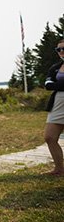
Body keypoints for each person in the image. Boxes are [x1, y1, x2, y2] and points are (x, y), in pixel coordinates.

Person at [43, 39, 64, 176]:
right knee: (49, 137)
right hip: (58, 103)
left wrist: (56, 85)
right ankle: (59, 169)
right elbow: (47, 84)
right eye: (58, 49)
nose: (61, 51)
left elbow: (52, 84)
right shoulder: (55, 67)